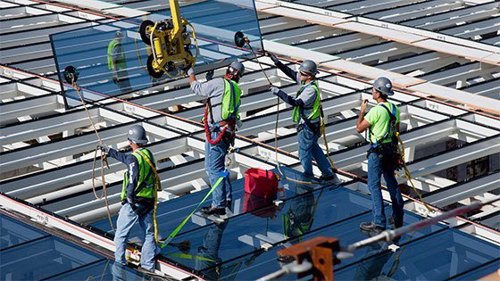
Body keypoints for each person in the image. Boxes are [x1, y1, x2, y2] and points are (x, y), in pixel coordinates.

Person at [268, 53, 340, 183]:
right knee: (313, 148)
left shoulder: (310, 90)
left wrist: (279, 92)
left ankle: (308, 176)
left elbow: (295, 102)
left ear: (309, 75)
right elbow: (291, 73)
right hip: (312, 124)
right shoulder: (307, 82)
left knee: (303, 152)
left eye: (301, 73)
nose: (299, 75)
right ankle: (327, 172)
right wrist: (277, 63)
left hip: (307, 126)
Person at [186, 61, 245, 216]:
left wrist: (190, 74)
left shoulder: (219, 83)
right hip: (227, 131)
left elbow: (197, 89)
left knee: (213, 169)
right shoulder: (236, 89)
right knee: (218, 167)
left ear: (228, 71)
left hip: (217, 132)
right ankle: (225, 198)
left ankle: (219, 204)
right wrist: (209, 81)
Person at [100, 124, 159, 272]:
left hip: (134, 202)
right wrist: (110, 152)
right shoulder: (147, 154)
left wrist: (130, 197)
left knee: (120, 235)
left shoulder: (134, 158)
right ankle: (147, 265)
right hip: (148, 201)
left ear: (131, 141)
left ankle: (120, 265)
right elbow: (125, 158)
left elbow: (132, 178)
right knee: (149, 234)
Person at [356, 77, 404, 233]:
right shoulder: (395, 109)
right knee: (391, 181)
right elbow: (396, 130)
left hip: (377, 151)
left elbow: (359, 128)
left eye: (374, 89)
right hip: (390, 150)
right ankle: (398, 215)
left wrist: (362, 111)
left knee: (374, 185)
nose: (372, 91)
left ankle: (378, 221)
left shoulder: (376, 111)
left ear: (378, 92)